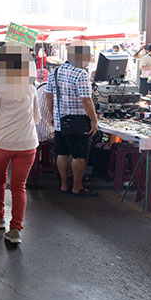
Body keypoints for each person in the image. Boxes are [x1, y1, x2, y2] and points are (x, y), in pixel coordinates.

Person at [0, 45, 40, 244]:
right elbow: (36, 117)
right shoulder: (31, 86)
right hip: (27, 143)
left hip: (1, 142)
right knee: (19, 187)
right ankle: (15, 229)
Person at [44, 41, 98, 197]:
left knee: (62, 153)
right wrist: (94, 121)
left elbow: (48, 95)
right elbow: (86, 100)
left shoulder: (55, 71)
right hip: (78, 122)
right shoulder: (81, 74)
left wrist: (52, 115)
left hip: (60, 120)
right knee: (79, 155)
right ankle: (77, 186)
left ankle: (63, 185)